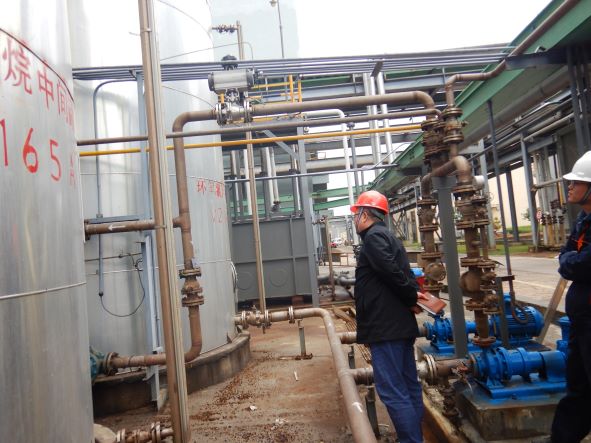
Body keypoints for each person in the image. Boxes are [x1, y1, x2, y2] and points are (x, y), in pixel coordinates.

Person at [351, 190, 428, 443]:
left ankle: (411, 440)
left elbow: (391, 272)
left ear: (364, 215)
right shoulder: (388, 236)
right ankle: (415, 438)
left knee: (393, 391)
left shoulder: (374, 238)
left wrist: (411, 297)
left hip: (386, 330)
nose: (354, 219)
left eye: (356, 214)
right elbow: (402, 273)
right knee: (408, 386)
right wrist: (412, 296)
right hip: (398, 327)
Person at [551, 151, 591, 443]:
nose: (570, 186)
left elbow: (580, 264)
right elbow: (567, 257)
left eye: (576, 182)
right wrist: (569, 261)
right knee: (578, 385)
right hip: (581, 320)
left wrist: (569, 261)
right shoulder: (583, 220)